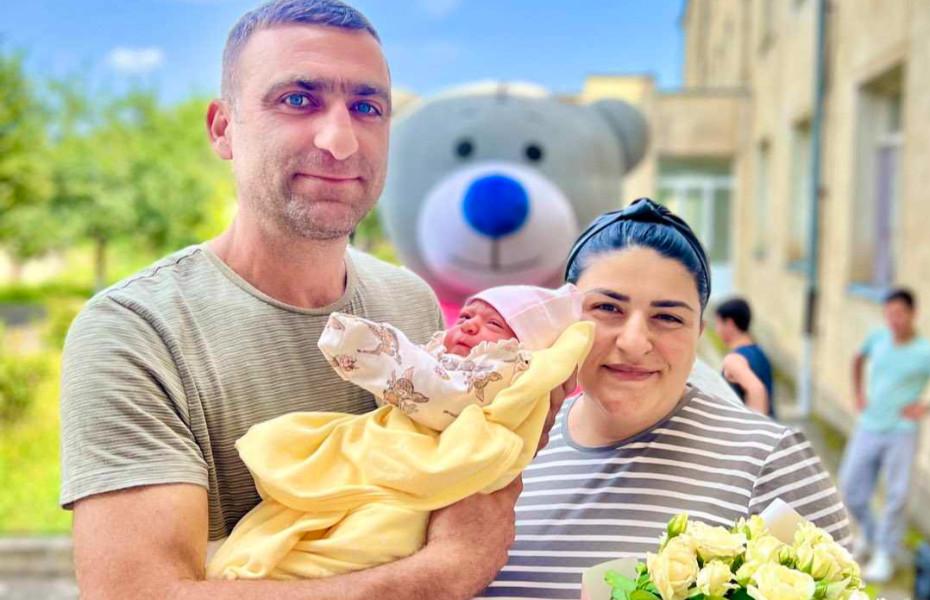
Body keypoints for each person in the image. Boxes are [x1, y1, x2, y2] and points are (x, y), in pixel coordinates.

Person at [60, 2, 570, 598]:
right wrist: (447, 571)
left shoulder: (410, 304)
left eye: (367, 107)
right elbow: (138, 593)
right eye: (298, 100)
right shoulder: (136, 333)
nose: (341, 140)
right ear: (223, 128)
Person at [482, 199, 852, 599]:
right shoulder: (499, 445)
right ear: (565, 317)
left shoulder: (768, 462)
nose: (634, 342)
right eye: (607, 308)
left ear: (698, 334)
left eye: (668, 317)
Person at [207, 284, 589, 579]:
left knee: (377, 531)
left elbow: (438, 391)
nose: (470, 325)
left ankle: (295, 569)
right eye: (465, 316)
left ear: (521, 348)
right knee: (306, 503)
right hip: (391, 446)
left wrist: (370, 347)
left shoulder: (500, 374)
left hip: (422, 474)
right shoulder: (444, 358)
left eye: (493, 324)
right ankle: (262, 557)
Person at [838, 287, 930, 583]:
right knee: (850, 487)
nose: (894, 320)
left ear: (913, 314)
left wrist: (926, 407)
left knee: (897, 495)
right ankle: (870, 535)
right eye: (889, 314)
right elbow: (857, 359)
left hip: (902, 433)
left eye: (900, 314)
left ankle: (885, 553)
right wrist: (859, 394)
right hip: (868, 425)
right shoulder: (878, 338)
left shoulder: (927, 353)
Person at [713, 297, 775, 417]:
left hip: (751, 427)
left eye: (718, 323)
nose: (716, 330)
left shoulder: (733, 359)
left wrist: (754, 427)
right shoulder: (760, 353)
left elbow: (756, 390)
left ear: (729, 324)